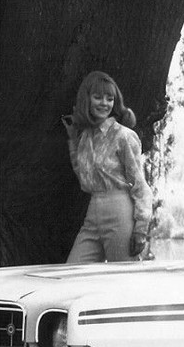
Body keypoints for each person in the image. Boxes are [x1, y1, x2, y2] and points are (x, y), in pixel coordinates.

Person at [63, 71, 152, 264]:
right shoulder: (86, 136)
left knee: (122, 278)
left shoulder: (124, 136)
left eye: (109, 99)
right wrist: (73, 140)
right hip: (93, 210)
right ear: (87, 100)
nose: (104, 103)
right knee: (73, 272)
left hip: (119, 209)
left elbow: (140, 184)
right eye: (98, 97)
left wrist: (140, 229)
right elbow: (83, 176)